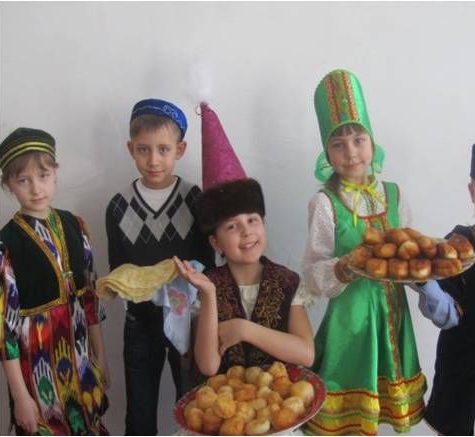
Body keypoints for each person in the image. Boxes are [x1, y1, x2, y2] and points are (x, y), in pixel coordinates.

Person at [301, 69, 426, 435]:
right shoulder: (325, 203)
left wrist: (423, 275)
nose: (351, 152)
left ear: (372, 142)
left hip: (394, 316)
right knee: (350, 418)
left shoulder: (394, 195)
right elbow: (312, 270)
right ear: (327, 153)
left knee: (385, 410)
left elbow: (410, 254)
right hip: (351, 323)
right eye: (339, 144)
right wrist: (345, 266)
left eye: (358, 139)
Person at [174, 102, 315, 376]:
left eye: (252, 220)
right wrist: (209, 294)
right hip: (225, 400)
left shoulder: (287, 282)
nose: (247, 231)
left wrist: (245, 330)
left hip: (280, 397)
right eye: (232, 226)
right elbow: (208, 365)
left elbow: (306, 354)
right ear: (215, 243)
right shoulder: (207, 286)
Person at [105, 98, 214, 435]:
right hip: (140, 324)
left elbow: (209, 264)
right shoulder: (118, 207)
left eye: (163, 149)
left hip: (189, 321)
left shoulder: (195, 200)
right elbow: (119, 271)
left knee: (195, 408)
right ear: (131, 149)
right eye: (143, 149)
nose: (153, 160)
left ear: (180, 150)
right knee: (139, 412)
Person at [0, 127, 109, 435]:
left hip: (83, 365)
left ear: (55, 173)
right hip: (38, 375)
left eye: (43, 175)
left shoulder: (75, 225)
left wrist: (100, 357)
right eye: (23, 180)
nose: (36, 188)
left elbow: (90, 297)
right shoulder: (6, 246)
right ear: (8, 185)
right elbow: (3, 333)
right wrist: (21, 396)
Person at [414, 139, 475, 436]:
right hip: (459, 363)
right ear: (471, 192)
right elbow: (447, 316)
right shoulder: (456, 245)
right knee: (453, 426)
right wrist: (424, 281)